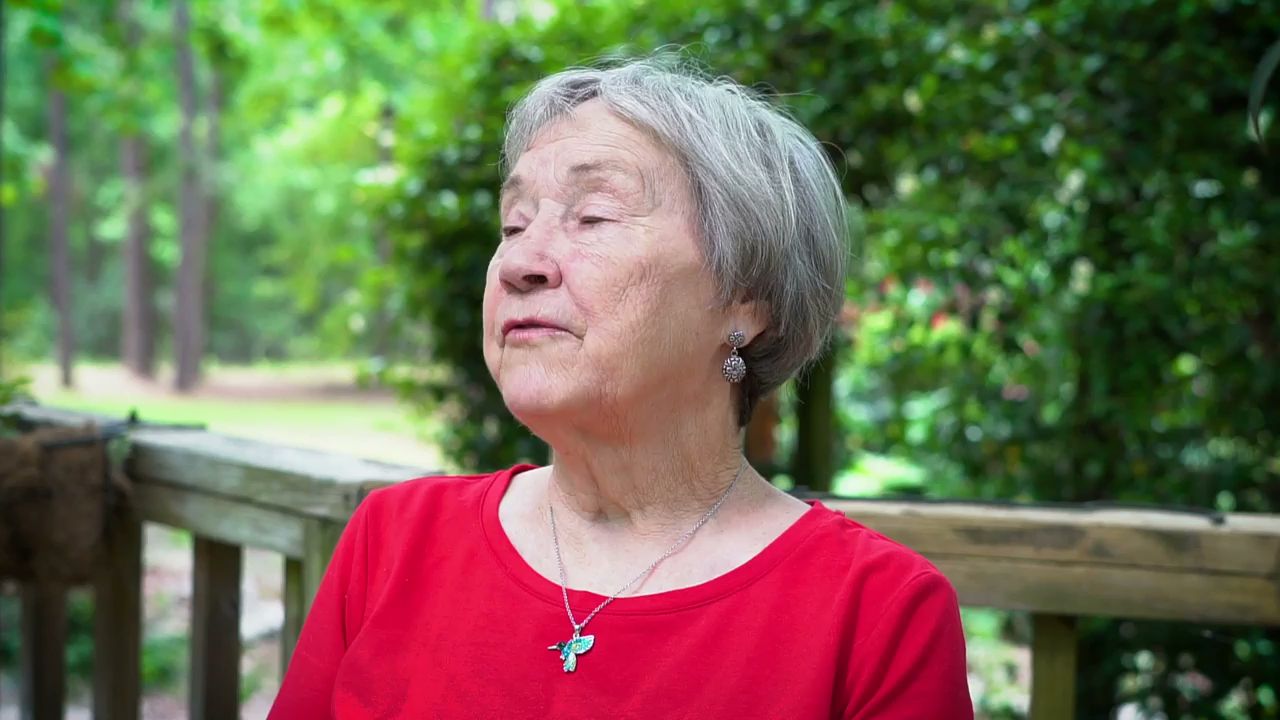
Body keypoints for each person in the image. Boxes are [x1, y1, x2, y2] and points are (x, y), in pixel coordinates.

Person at [269, 54, 972, 719]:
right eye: (514, 223)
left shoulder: (877, 612)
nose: (519, 262)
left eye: (593, 216)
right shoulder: (395, 541)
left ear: (746, 299)